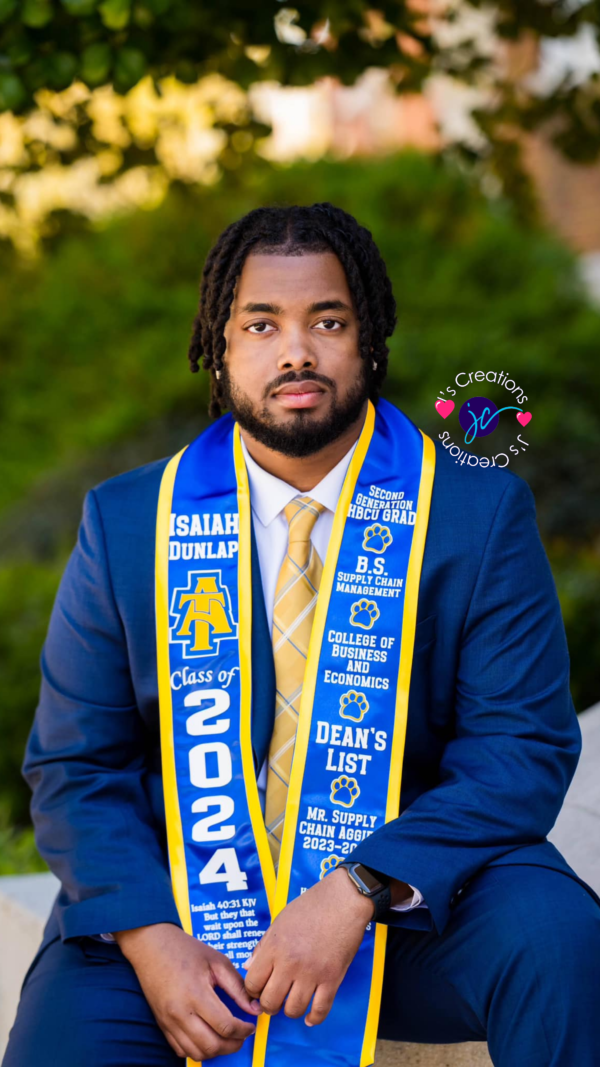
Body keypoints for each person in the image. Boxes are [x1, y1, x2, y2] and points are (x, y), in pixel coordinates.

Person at [4, 203, 600, 1067]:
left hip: (410, 908)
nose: (297, 352)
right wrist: (151, 939)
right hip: (177, 909)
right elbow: (75, 765)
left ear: (371, 339)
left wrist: (360, 884)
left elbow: (520, 746)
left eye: (329, 320)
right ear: (220, 344)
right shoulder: (131, 522)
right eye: (261, 324)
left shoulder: (473, 515)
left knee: (559, 938)